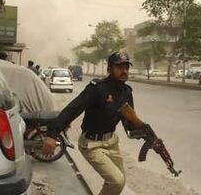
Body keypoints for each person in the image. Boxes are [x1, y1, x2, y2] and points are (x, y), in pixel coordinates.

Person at [43, 51, 138, 195]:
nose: (124, 71)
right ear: (109, 69)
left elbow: (129, 123)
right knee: (116, 181)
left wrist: (146, 135)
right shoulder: (97, 88)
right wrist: (52, 134)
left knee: (120, 181)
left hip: (112, 142)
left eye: (126, 67)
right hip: (91, 144)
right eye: (119, 67)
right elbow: (73, 108)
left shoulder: (127, 92)